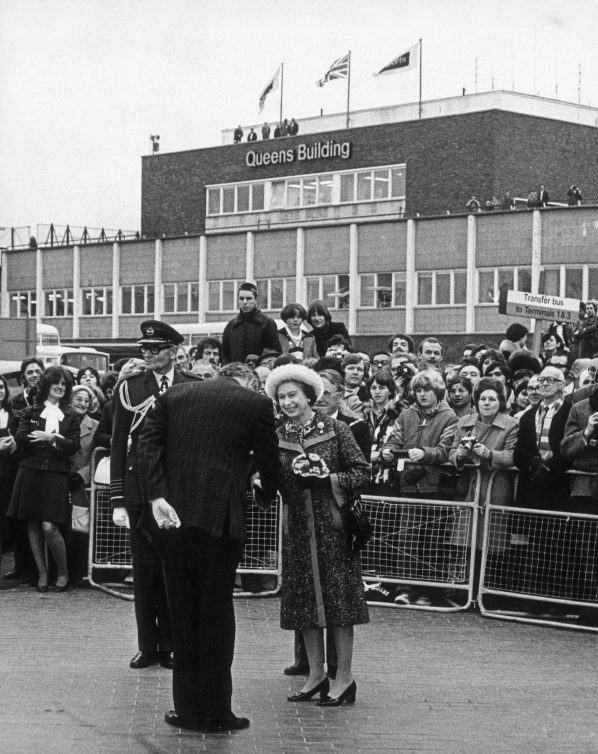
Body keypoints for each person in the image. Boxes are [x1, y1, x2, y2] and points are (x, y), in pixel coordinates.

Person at [137, 362, 280, 732]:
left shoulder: (174, 394)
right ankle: (217, 712)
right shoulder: (255, 403)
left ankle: (186, 709)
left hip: (173, 519)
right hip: (220, 522)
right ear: (248, 381)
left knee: (182, 612)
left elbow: (146, 445)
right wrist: (264, 488)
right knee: (216, 614)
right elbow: (269, 459)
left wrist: (155, 496)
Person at [264, 364, 369, 706]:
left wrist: (329, 481)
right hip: (297, 530)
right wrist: (261, 485)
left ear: (309, 395)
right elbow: (268, 480)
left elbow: (362, 472)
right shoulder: (277, 435)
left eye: (292, 394)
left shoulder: (336, 430)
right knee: (305, 605)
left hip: (333, 528)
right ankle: (315, 674)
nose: (287, 402)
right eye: (281, 397)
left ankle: (345, 678)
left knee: (339, 603)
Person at [110, 320, 201, 671]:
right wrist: (118, 499)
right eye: (144, 349)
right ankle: (148, 644)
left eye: (155, 349)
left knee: (175, 574)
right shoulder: (131, 387)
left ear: (173, 351)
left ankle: (173, 644)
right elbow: (119, 444)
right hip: (137, 492)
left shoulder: (192, 386)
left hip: (175, 493)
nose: (147, 354)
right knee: (145, 575)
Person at [7, 367, 81, 592]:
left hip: (56, 475)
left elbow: (73, 446)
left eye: (64, 384)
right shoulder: (30, 411)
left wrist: (50, 438)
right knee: (33, 524)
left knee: (50, 527)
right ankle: (42, 573)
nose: (60, 387)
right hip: (30, 472)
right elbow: (21, 439)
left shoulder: (71, 415)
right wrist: (51, 441)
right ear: (47, 385)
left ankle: (62, 571)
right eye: (56, 382)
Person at [67, 384, 99, 584]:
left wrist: (82, 475)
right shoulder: (61, 420)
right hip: (61, 480)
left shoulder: (95, 425)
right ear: (69, 401)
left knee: (81, 527)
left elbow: (97, 454)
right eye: (78, 399)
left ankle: (80, 572)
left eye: (86, 400)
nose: (83, 403)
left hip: (82, 484)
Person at [222, 282, 281, 364]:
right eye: (241, 298)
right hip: (236, 373)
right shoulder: (231, 325)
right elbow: (225, 355)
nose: (245, 302)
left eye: (249, 298)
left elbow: (275, 353)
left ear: (256, 300)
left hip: (260, 372)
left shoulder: (267, 323)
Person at [0, 376, 18, 572]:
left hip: (8, 474)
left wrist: (15, 445)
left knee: (6, 520)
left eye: (1, 387)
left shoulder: (13, 414)